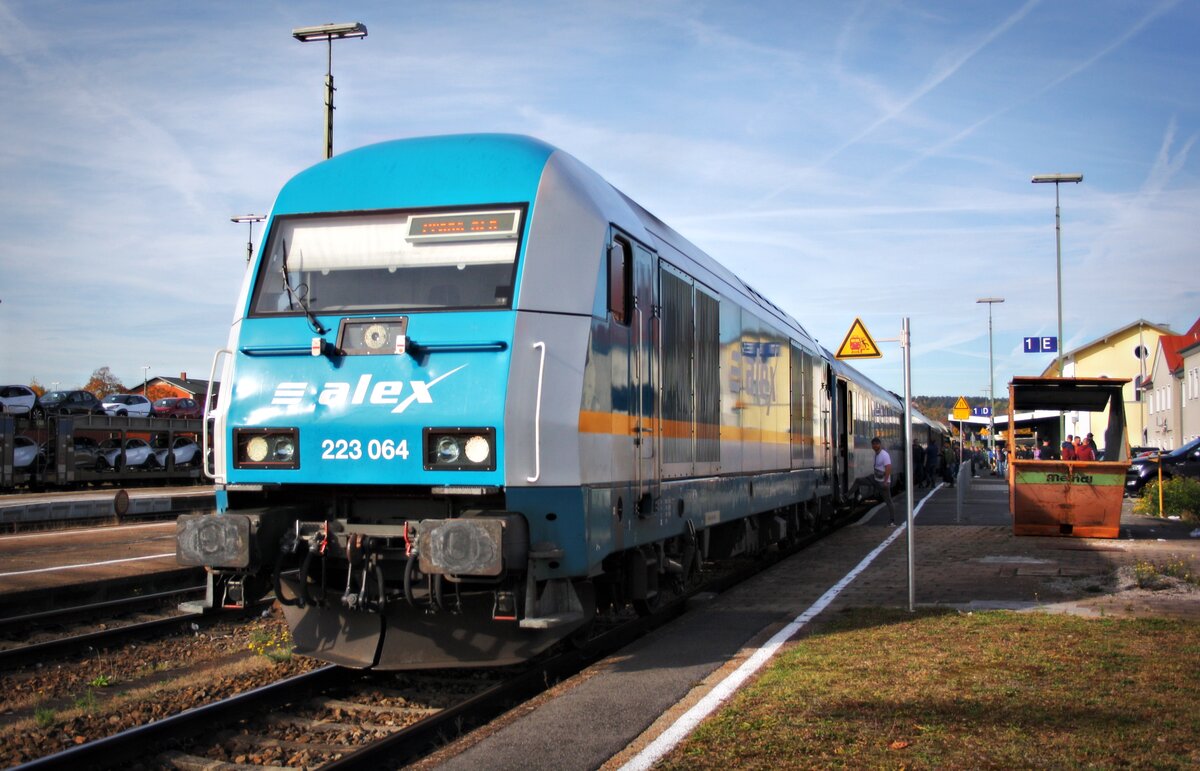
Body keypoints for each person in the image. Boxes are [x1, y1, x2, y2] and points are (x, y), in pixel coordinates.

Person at [870, 437, 896, 525]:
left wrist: (885, 481)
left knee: (888, 500)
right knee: (859, 481)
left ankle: (892, 520)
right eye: (873, 444)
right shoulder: (876, 454)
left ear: (879, 445)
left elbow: (888, 467)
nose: (874, 446)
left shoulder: (884, 455)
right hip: (878, 480)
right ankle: (846, 496)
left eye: (876, 444)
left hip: (884, 482)